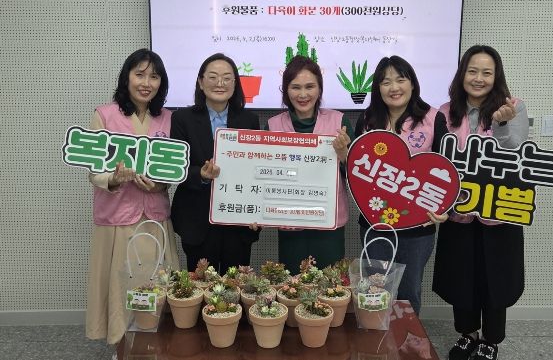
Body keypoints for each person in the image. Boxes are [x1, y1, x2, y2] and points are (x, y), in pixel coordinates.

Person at [432, 45, 529, 360]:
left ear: (496, 76)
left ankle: (491, 340)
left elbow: (517, 154)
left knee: (496, 279)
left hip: (498, 213)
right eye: (472, 71)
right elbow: (438, 160)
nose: (479, 78)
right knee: (462, 277)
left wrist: (502, 125)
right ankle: (467, 334)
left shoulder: (513, 107)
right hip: (459, 211)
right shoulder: (444, 111)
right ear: (462, 74)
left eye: (487, 72)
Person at [86, 48, 180, 345]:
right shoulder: (105, 115)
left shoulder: (169, 119)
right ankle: (121, 341)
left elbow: (174, 170)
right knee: (120, 282)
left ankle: (153, 341)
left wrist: (160, 185)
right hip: (117, 219)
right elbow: (93, 170)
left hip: (154, 217)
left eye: (154, 77)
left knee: (155, 281)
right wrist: (114, 178)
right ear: (126, 77)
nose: (146, 83)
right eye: (140, 74)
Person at [354, 55, 448, 315]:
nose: (394, 87)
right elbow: (353, 172)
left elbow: (448, 171)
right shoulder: (367, 120)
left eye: (400, 79)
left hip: (418, 226)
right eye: (385, 82)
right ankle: (375, 337)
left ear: (412, 83)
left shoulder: (433, 118)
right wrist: (343, 155)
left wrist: (444, 208)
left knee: (408, 293)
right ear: (378, 88)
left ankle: (407, 339)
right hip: (375, 222)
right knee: (374, 291)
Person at [171, 53, 260, 274]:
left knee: (235, 287)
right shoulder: (182, 119)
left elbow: (255, 171)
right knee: (200, 287)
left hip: (237, 220)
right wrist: (200, 175)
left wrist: (258, 210)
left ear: (235, 84)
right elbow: (177, 168)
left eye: (227, 78)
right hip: (197, 219)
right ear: (201, 82)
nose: (220, 83)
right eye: (212, 77)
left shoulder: (249, 120)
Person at [266, 55, 353, 274]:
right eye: (295, 87)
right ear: (286, 90)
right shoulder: (273, 125)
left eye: (310, 87)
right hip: (290, 221)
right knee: (292, 285)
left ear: (320, 89)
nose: (303, 94)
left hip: (328, 221)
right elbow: (263, 174)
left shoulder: (340, 122)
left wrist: (344, 154)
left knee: (331, 285)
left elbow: (357, 175)